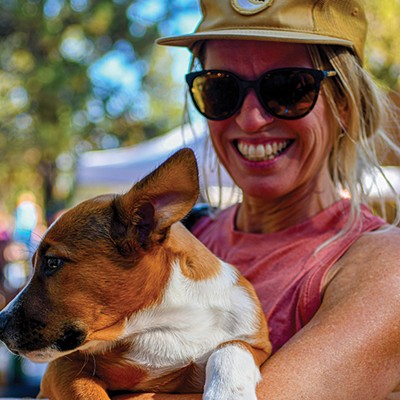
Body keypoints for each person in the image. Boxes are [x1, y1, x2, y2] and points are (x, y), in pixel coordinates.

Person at [117, 0, 400, 399]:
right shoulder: (183, 234)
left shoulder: (383, 266)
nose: (251, 120)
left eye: (289, 88)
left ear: (344, 103)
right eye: (220, 88)